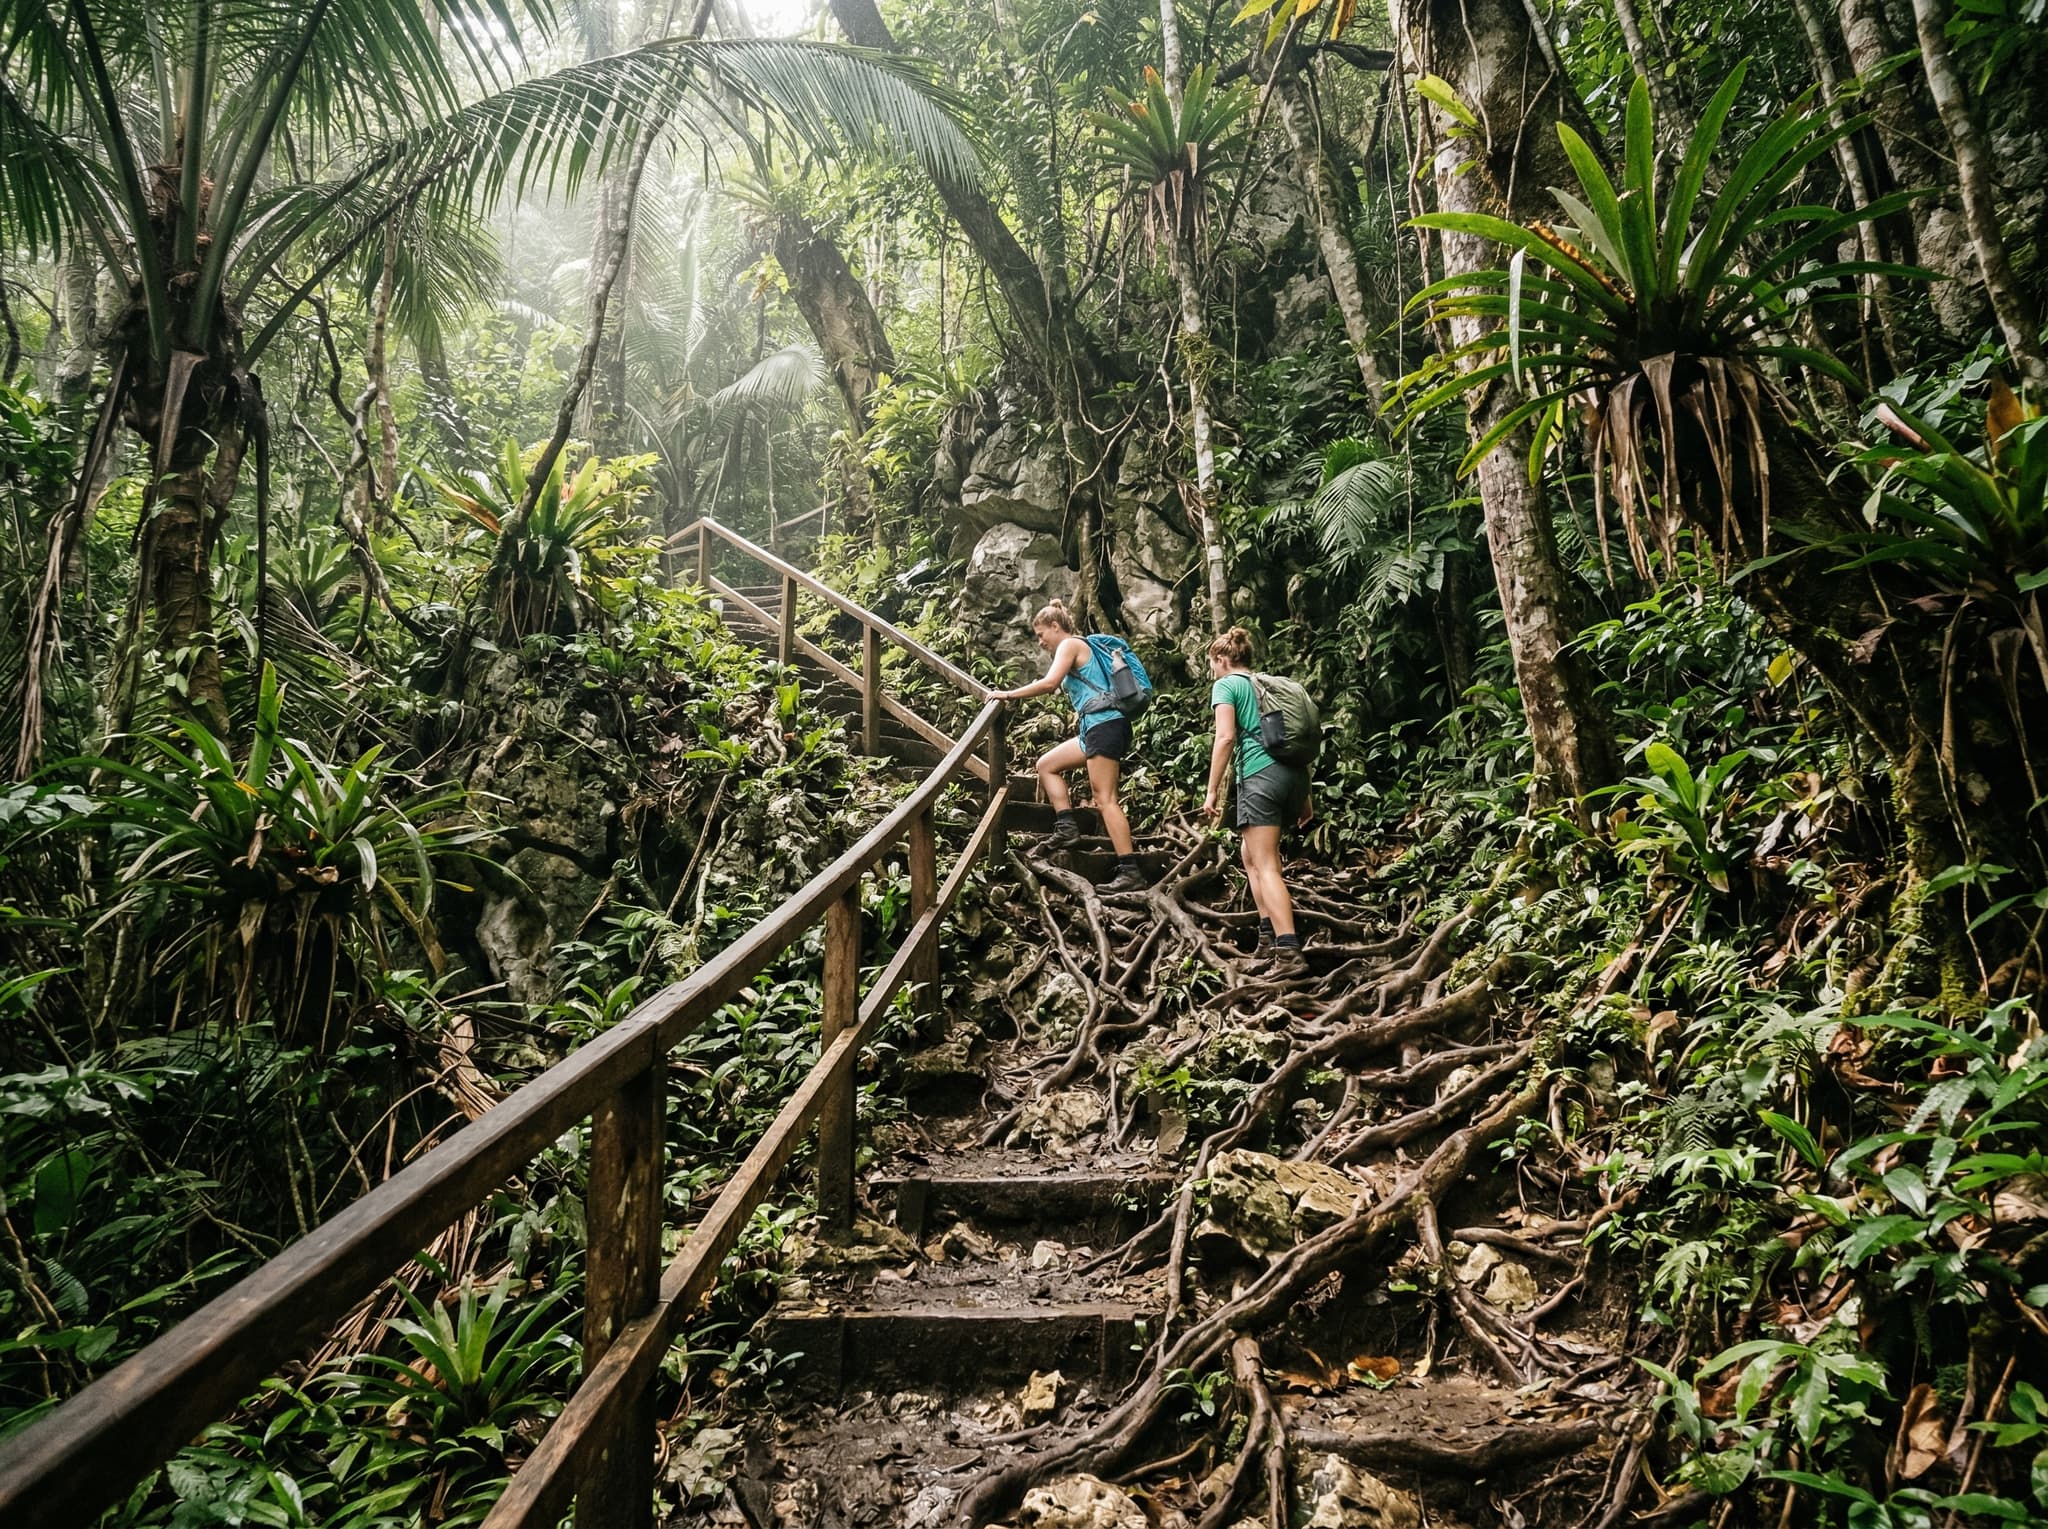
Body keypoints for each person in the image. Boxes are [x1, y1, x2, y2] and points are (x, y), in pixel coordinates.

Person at [990, 600, 1149, 892]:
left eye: (1041, 635)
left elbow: (1050, 683)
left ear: (1055, 626)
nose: (1040, 642)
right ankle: (1067, 827)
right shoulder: (1079, 647)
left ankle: (1130, 870)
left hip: (1104, 726)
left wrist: (1008, 695)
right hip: (1097, 728)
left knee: (1105, 799)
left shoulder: (1070, 645)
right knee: (1046, 766)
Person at [1201, 627, 1311, 976]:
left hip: (1260, 777)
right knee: (1250, 856)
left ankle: (1289, 952)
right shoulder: (1270, 684)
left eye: (1212, 665)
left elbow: (1226, 737)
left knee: (1266, 865)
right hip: (1292, 777)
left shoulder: (1227, 685)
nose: (1212, 672)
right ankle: (1267, 938)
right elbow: (1290, 741)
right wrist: (1306, 798)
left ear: (1221, 659)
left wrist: (1212, 789)